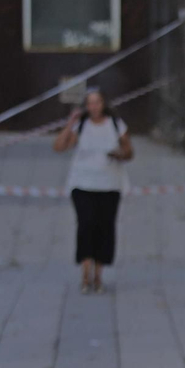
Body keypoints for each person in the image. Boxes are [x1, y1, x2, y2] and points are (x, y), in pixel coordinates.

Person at [53, 87, 132, 294]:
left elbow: (129, 151)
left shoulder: (116, 125)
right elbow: (59, 147)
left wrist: (119, 154)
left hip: (110, 185)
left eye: (97, 102)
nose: (94, 107)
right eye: (90, 103)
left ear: (104, 103)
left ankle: (98, 276)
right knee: (86, 224)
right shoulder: (81, 126)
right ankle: (85, 275)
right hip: (82, 184)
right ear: (85, 106)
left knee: (105, 227)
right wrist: (70, 123)